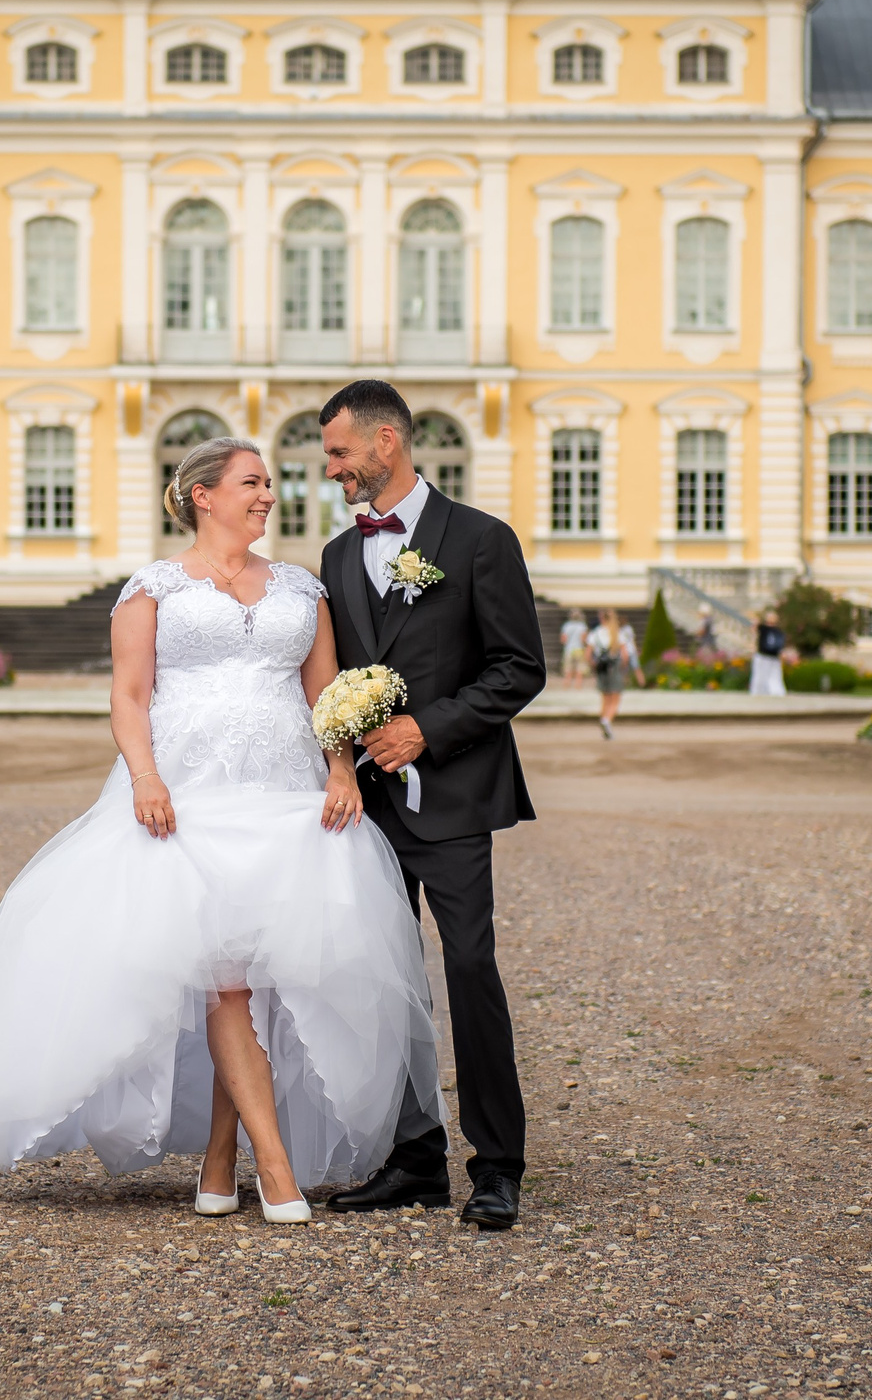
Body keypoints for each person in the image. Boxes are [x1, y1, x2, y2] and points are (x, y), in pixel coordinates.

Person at [0, 436, 440, 1224]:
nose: (268, 495)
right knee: (226, 975)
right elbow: (130, 696)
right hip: (188, 798)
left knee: (260, 973)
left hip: (285, 798)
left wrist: (339, 769)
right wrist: (146, 777)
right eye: (252, 483)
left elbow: (324, 691)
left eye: (269, 483)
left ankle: (221, 1160)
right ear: (203, 495)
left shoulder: (301, 588)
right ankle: (275, 1163)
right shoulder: (152, 587)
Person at [314, 379, 547, 1231]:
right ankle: (414, 1155)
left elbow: (520, 668)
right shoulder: (339, 559)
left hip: (452, 797)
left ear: (386, 443)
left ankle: (498, 1163)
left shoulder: (482, 540)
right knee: (384, 980)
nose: (331, 468)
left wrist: (427, 730)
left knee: (470, 969)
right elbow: (333, 679)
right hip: (366, 811)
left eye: (340, 452)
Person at [588, 606, 636, 739]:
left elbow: (588, 654)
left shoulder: (595, 633)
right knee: (615, 699)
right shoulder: (617, 633)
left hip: (601, 667)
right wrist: (623, 669)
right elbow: (625, 656)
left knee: (605, 698)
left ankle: (604, 721)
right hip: (615, 667)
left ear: (601, 618)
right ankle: (607, 721)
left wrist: (594, 667)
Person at [749, 606, 788, 696]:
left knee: (775, 676)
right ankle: (758, 692)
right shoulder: (763, 628)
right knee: (760, 676)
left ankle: (775, 691)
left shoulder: (778, 631)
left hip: (774, 657)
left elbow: (780, 643)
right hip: (763, 656)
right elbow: (753, 629)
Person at [558, 609, 589, 687]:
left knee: (568, 668)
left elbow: (563, 639)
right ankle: (578, 685)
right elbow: (584, 639)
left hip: (569, 649)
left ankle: (566, 684)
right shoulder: (582, 626)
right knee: (579, 668)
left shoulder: (566, 626)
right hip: (579, 649)